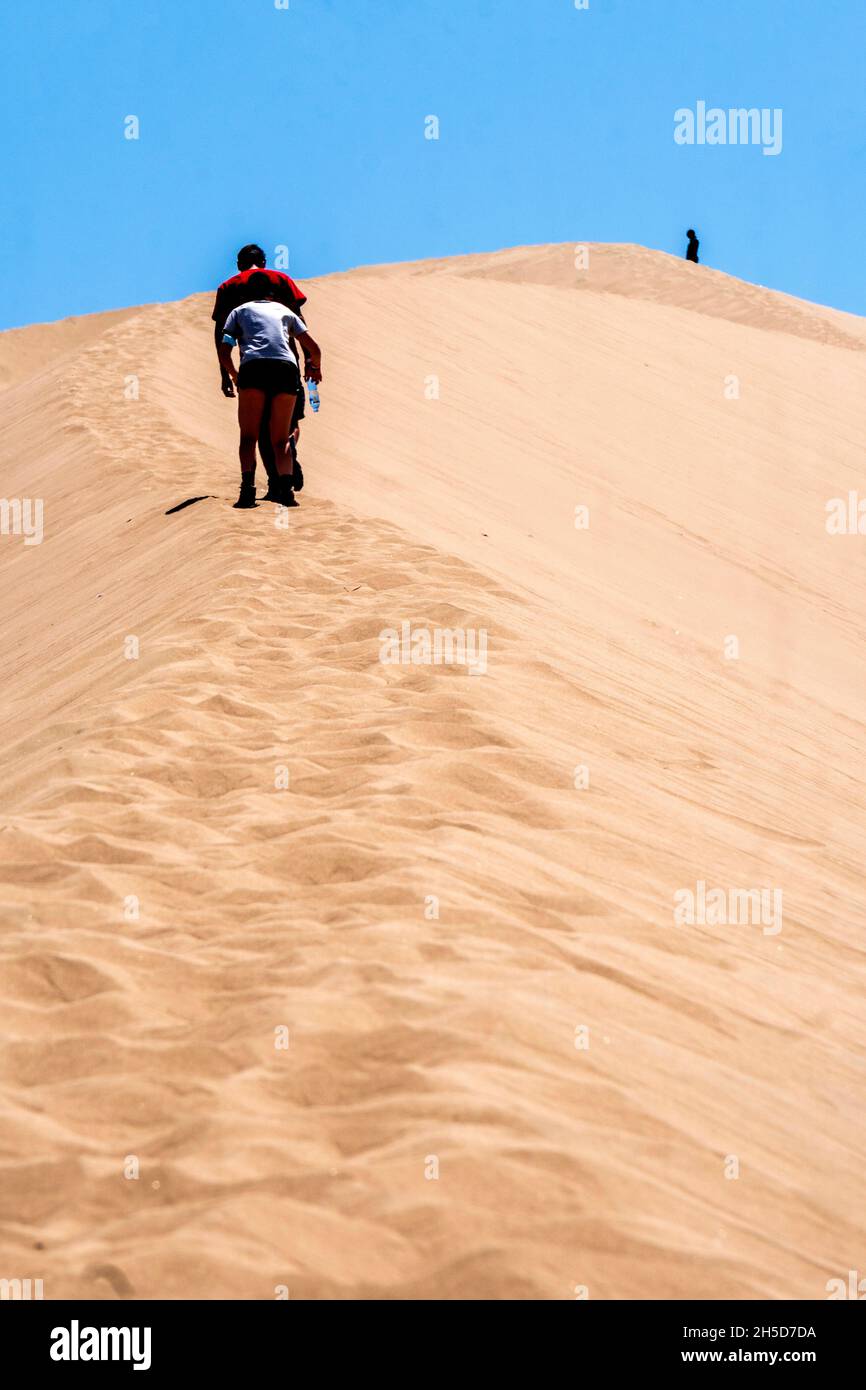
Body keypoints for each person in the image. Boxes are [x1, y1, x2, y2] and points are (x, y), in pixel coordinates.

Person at [212, 245, 313, 497]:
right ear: (265, 262)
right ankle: (286, 470)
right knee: (285, 426)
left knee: (254, 430)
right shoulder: (282, 280)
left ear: (238, 264)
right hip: (287, 363)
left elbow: (220, 333)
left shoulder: (228, 287)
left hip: (251, 365)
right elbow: (300, 321)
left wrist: (226, 373)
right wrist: (311, 360)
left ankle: (269, 482)